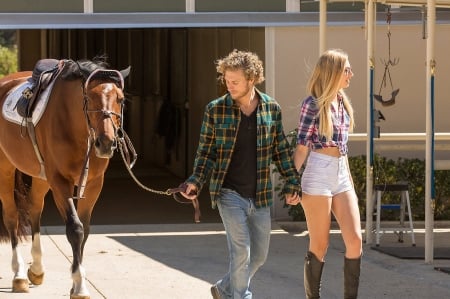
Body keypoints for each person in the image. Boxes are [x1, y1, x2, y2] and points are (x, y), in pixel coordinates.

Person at [180, 49, 301, 299]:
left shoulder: (271, 109)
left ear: (252, 79)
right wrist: (195, 181)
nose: (229, 85)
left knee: (259, 255)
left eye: (235, 81)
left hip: (260, 196)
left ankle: (223, 289)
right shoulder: (216, 110)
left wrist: (292, 182)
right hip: (229, 193)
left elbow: (281, 150)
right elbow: (206, 153)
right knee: (241, 251)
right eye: (226, 80)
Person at [293, 49, 363, 299]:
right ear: (334, 72)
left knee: (355, 240)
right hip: (318, 173)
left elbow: (343, 151)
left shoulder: (343, 102)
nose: (351, 75)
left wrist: (350, 182)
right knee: (320, 245)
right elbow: (301, 147)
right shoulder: (311, 104)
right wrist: (291, 183)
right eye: (347, 70)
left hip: (342, 174)